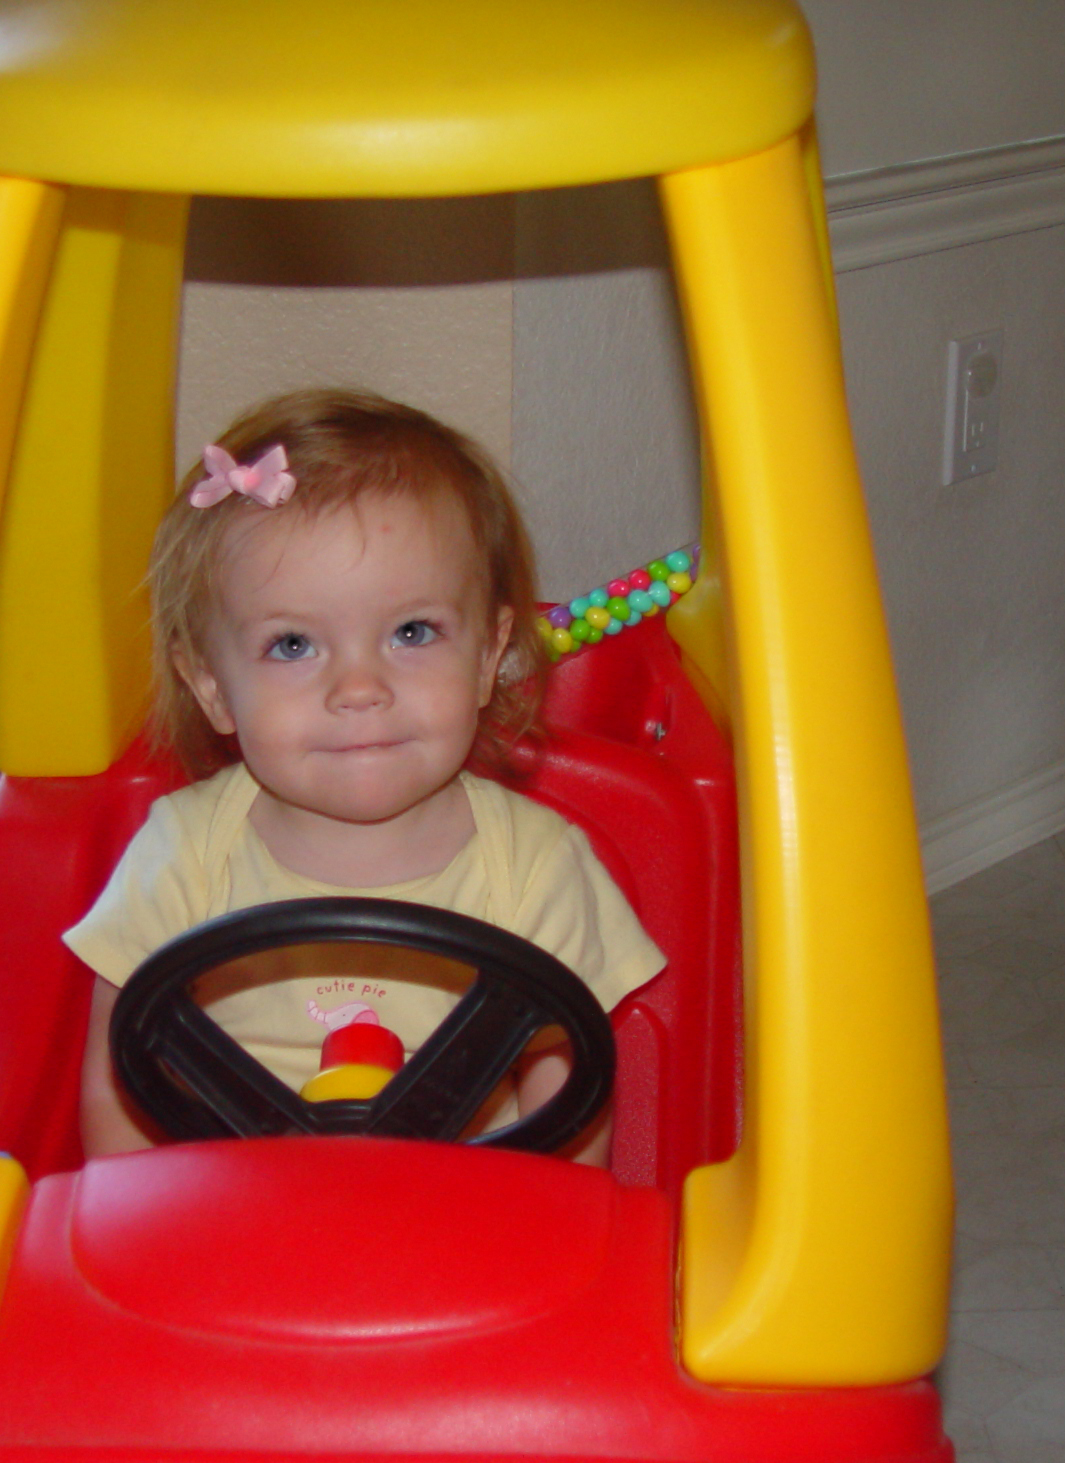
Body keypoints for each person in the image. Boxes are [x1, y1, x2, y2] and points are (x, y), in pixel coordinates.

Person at [66, 389, 665, 1166]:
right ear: (211, 685)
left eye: (411, 633)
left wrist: (544, 1252)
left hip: (460, 1235)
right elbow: (115, 1085)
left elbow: (568, 1087)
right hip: (232, 1232)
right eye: (292, 646)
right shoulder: (181, 854)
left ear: (488, 656)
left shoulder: (537, 867)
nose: (359, 688)